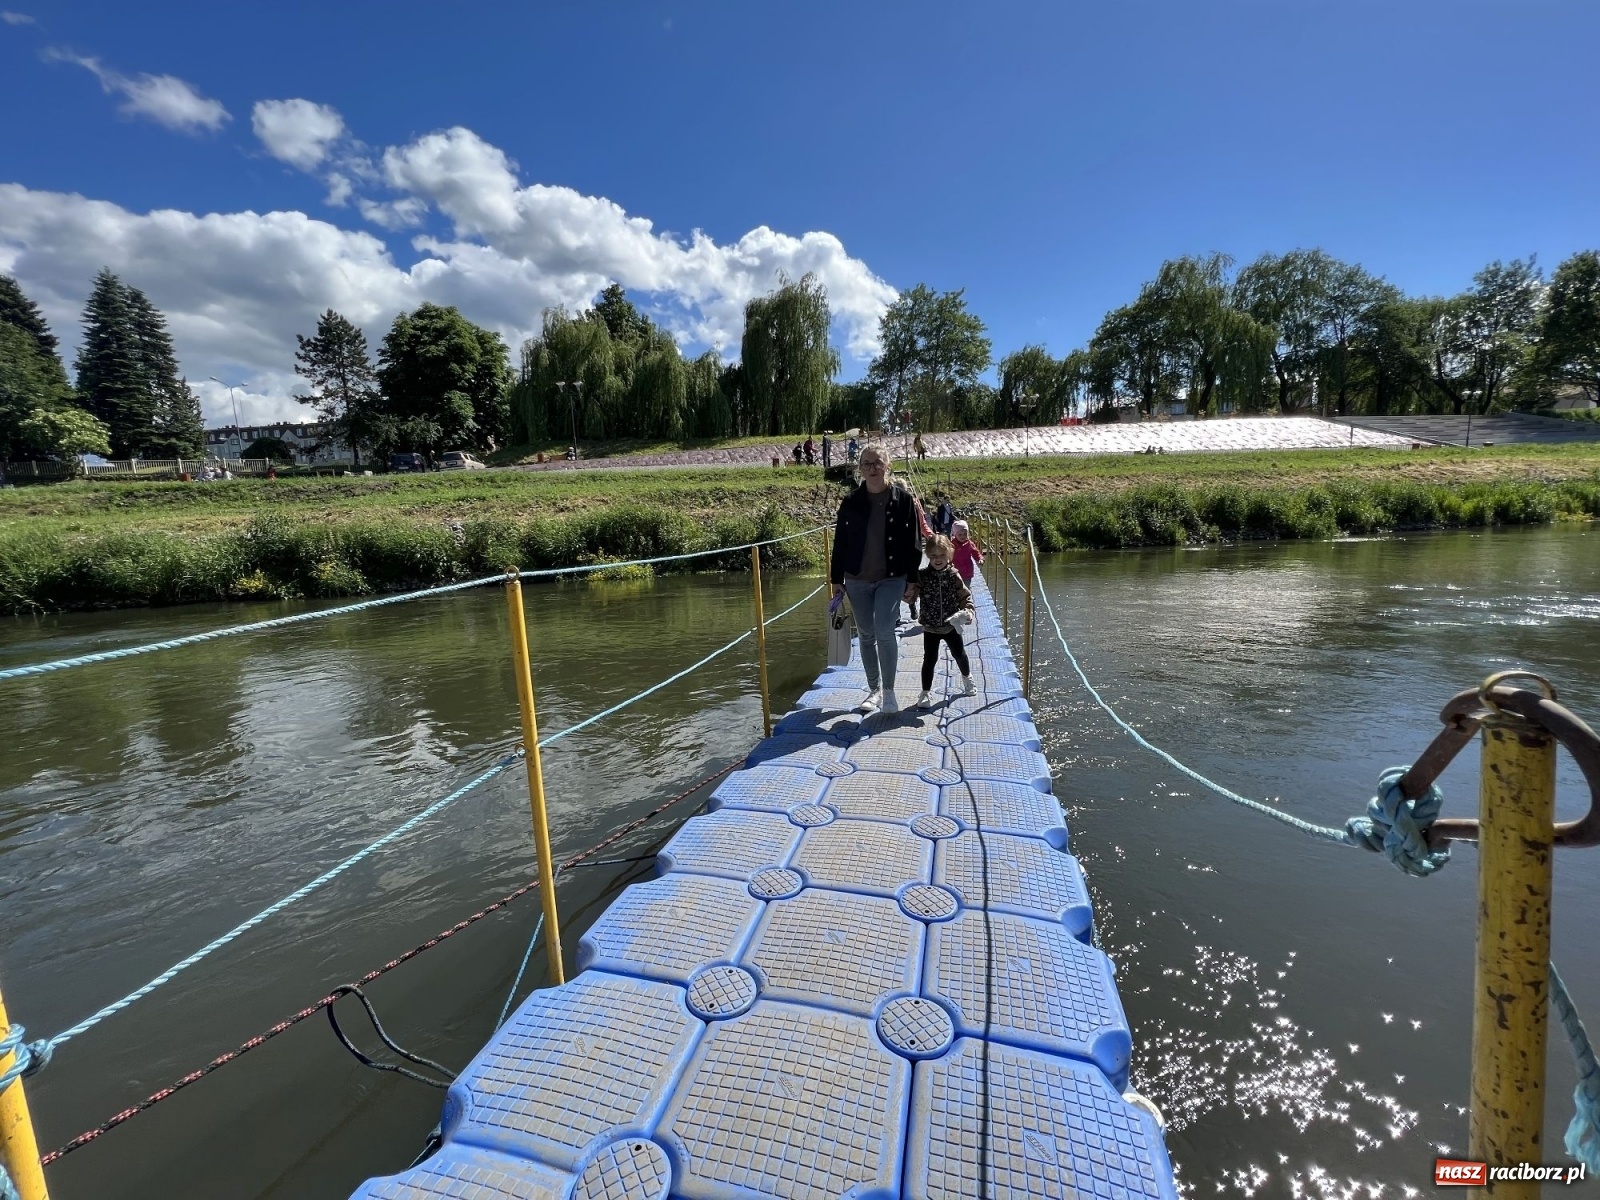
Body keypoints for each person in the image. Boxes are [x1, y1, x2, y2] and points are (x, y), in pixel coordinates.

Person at [831, 443, 921, 714]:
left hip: (891, 577)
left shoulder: (903, 501)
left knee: (884, 629)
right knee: (867, 634)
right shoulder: (850, 502)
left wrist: (913, 580)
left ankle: (890, 692)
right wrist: (836, 579)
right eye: (867, 464)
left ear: (888, 466)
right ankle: (874, 690)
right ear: (860, 469)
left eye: (877, 463)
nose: (872, 469)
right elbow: (841, 542)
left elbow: (913, 543)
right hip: (856, 578)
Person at [913, 534, 978, 708]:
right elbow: (911, 596)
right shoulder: (922, 576)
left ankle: (967, 678)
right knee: (930, 659)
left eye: (942, 555)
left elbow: (964, 596)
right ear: (928, 556)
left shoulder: (953, 575)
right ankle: (925, 693)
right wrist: (905, 591)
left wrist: (968, 611)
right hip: (930, 627)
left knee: (959, 654)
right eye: (933, 556)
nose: (938, 559)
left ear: (949, 554)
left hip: (951, 625)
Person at [950, 519, 984, 583]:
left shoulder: (969, 543)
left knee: (966, 588)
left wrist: (980, 558)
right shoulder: (952, 544)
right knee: (956, 589)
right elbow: (947, 555)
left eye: (965, 534)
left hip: (967, 572)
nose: (963, 536)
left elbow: (975, 552)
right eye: (960, 535)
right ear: (955, 534)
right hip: (955, 572)